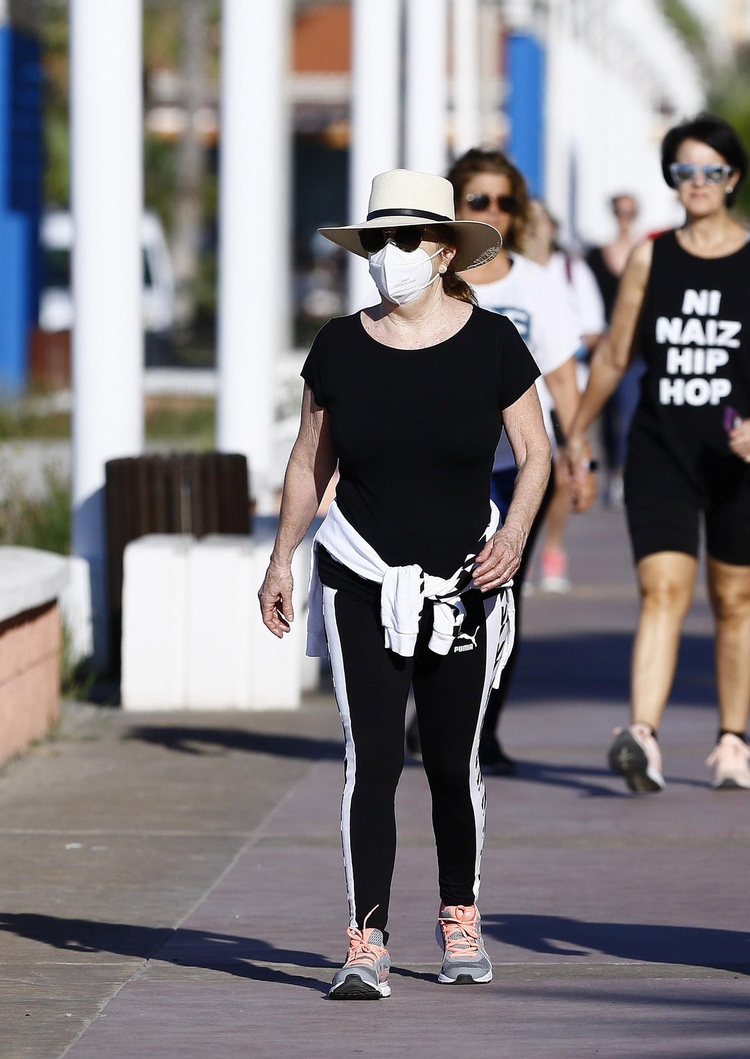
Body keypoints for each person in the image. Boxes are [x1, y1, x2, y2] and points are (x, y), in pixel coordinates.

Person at [256, 169, 549, 999]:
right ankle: (366, 938)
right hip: (360, 577)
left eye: (407, 240)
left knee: (453, 762)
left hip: (466, 582)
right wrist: (281, 558)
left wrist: (517, 532)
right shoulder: (339, 346)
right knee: (373, 758)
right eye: (377, 241)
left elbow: (536, 453)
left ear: (445, 250)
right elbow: (311, 462)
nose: (390, 256)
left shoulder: (494, 343)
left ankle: (460, 913)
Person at [562, 114, 750, 793]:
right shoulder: (651, 255)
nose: (697, 183)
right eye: (684, 171)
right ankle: (643, 734)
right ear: (672, 179)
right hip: (662, 445)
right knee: (660, 589)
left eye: (711, 171)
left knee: (733, 599)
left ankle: (732, 741)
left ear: (733, 178)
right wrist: (577, 428)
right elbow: (613, 353)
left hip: (737, 451)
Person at [441, 149, 585, 775]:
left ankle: (483, 730)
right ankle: (432, 717)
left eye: (505, 202)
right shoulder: (434, 279)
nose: (492, 213)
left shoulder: (536, 283)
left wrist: (579, 452)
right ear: (454, 208)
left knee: (500, 599)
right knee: (429, 596)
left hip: (513, 468)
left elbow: (563, 376)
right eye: (478, 201)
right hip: (438, 466)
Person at [524, 200, 607, 594]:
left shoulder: (570, 271)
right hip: (514, 395)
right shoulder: (504, 272)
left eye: (541, 220)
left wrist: (558, 348)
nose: (534, 228)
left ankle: (552, 549)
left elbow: (593, 329)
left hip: (560, 391)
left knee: (556, 479)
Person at [586, 193, 646, 504]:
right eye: (620, 211)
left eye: (630, 210)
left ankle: (625, 471)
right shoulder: (596, 255)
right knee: (609, 411)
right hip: (606, 343)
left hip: (638, 344)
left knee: (631, 406)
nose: (625, 216)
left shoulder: (646, 252)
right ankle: (612, 467)